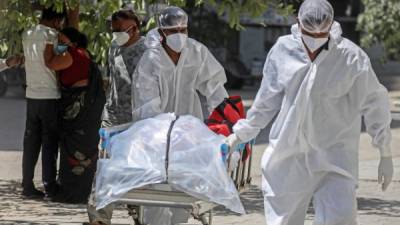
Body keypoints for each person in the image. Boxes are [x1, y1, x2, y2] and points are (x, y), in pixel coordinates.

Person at [224, 0, 394, 225]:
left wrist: (385, 151)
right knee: (283, 221)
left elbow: (375, 101)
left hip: (336, 157)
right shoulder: (283, 50)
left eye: (321, 33)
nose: (314, 38)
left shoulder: (351, 57)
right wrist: (239, 135)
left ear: (331, 26)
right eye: (308, 32)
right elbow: (266, 102)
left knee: (340, 219)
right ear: (298, 24)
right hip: (288, 156)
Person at [131, 6, 229, 225]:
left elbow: (214, 86)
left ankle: (179, 221)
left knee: (183, 188)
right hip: (157, 136)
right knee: (157, 190)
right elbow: (147, 102)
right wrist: (164, 133)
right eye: (173, 29)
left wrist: (225, 116)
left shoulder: (197, 51)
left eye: (183, 29)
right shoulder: (151, 59)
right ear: (162, 31)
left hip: (189, 130)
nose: (179, 34)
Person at [86, 9, 147, 225]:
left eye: (120, 30)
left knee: (138, 170)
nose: (116, 34)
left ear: (135, 28)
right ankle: (99, 218)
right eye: (113, 30)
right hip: (112, 118)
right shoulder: (113, 47)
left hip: (137, 120)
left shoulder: (148, 51)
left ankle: (140, 214)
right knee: (105, 168)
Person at [45, 27, 105, 203]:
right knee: (81, 148)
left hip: (78, 112)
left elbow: (50, 63)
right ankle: (83, 191)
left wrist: (48, 45)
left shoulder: (73, 54)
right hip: (85, 111)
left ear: (73, 42)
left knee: (75, 147)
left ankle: (74, 193)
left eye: (63, 42)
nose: (60, 45)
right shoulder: (82, 53)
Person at [21, 6, 65, 199]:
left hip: (32, 95)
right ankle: (50, 185)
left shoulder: (27, 32)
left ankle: (27, 185)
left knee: (31, 143)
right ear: (56, 21)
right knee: (49, 143)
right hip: (50, 96)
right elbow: (56, 59)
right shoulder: (52, 34)